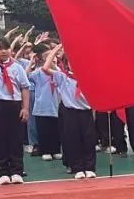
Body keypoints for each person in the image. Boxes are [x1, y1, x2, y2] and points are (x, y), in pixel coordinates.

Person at [41, 46, 96, 179]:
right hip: (70, 112)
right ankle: (77, 167)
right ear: (66, 63)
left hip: (86, 112)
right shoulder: (62, 76)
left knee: (89, 140)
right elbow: (45, 68)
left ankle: (89, 167)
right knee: (73, 140)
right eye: (71, 61)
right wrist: (57, 48)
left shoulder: (88, 77)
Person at [0, 34, 30, 185]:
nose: (4, 52)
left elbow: (25, 87)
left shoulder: (16, 67)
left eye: (7, 48)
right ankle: (2, 171)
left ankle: (16, 171)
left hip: (14, 104)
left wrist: (25, 108)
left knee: (16, 138)